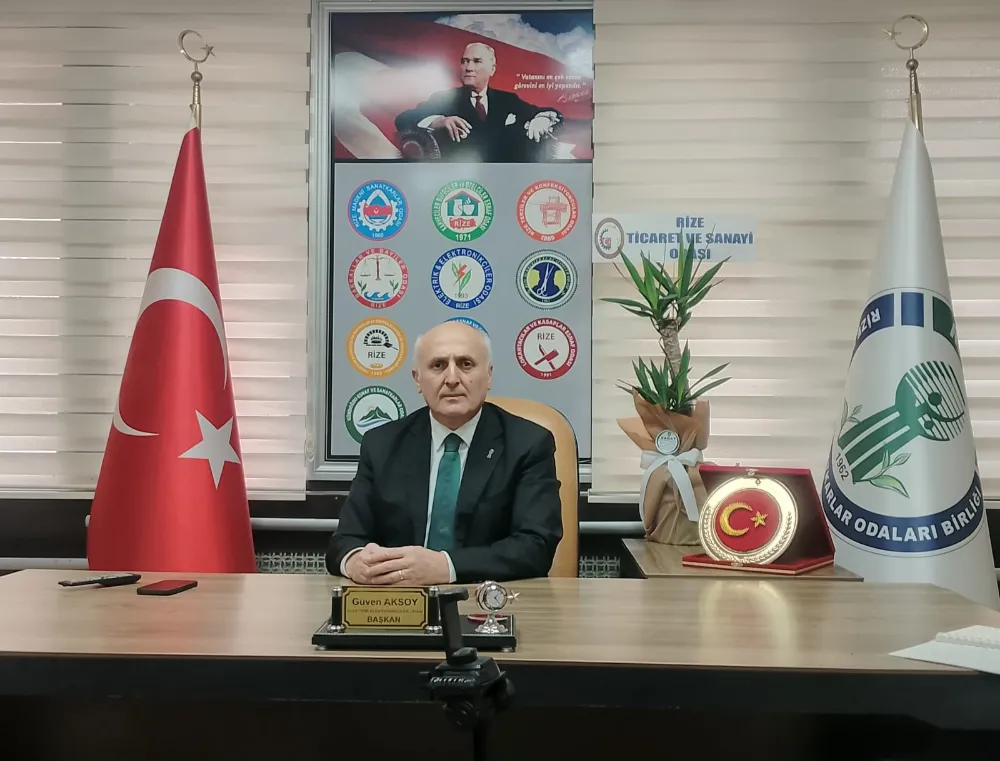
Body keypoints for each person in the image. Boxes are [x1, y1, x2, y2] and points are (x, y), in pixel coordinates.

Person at [326, 320, 563, 585]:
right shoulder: (382, 444)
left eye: (466, 364)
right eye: (438, 365)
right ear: (418, 379)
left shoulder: (528, 444)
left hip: (489, 598)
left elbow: (535, 547)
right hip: (400, 600)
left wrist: (445, 567)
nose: (452, 379)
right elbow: (345, 541)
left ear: (489, 376)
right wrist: (355, 561)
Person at [394, 42, 562, 163]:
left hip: (506, 177)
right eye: (464, 61)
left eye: (476, 61)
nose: (468, 67)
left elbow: (549, 113)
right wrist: (438, 121)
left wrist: (542, 119)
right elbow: (403, 119)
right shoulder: (444, 99)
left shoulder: (507, 100)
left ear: (492, 69)